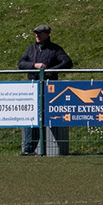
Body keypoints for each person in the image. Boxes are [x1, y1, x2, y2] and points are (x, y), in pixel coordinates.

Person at [18, 24, 74, 156]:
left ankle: (52, 149)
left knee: (46, 117)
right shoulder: (31, 48)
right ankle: (28, 149)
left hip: (49, 89)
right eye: (35, 33)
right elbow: (20, 64)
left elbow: (67, 62)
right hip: (32, 88)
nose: (37, 35)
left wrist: (51, 71)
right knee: (31, 117)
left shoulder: (55, 49)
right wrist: (34, 65)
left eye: (40, 33)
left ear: (47, 34)